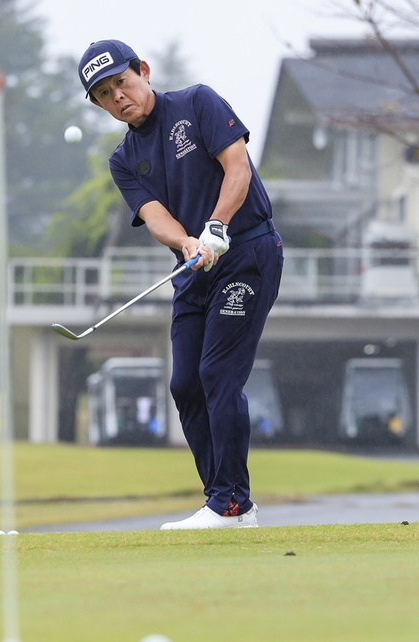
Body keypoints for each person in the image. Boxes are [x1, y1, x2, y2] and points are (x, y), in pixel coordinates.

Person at [77, 40, 283, 529]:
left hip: (248, 252)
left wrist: (216, 226)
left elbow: (237, 167)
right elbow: (155, 217)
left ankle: (229, 505)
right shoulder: (124, 159)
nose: (118, 97)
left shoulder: (197, 103)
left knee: (218, 375)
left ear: (143, 70)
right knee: (185, 382)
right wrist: (190, 243)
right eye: (104, 94)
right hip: (194, 267)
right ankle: (227, 502)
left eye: (122, 83)